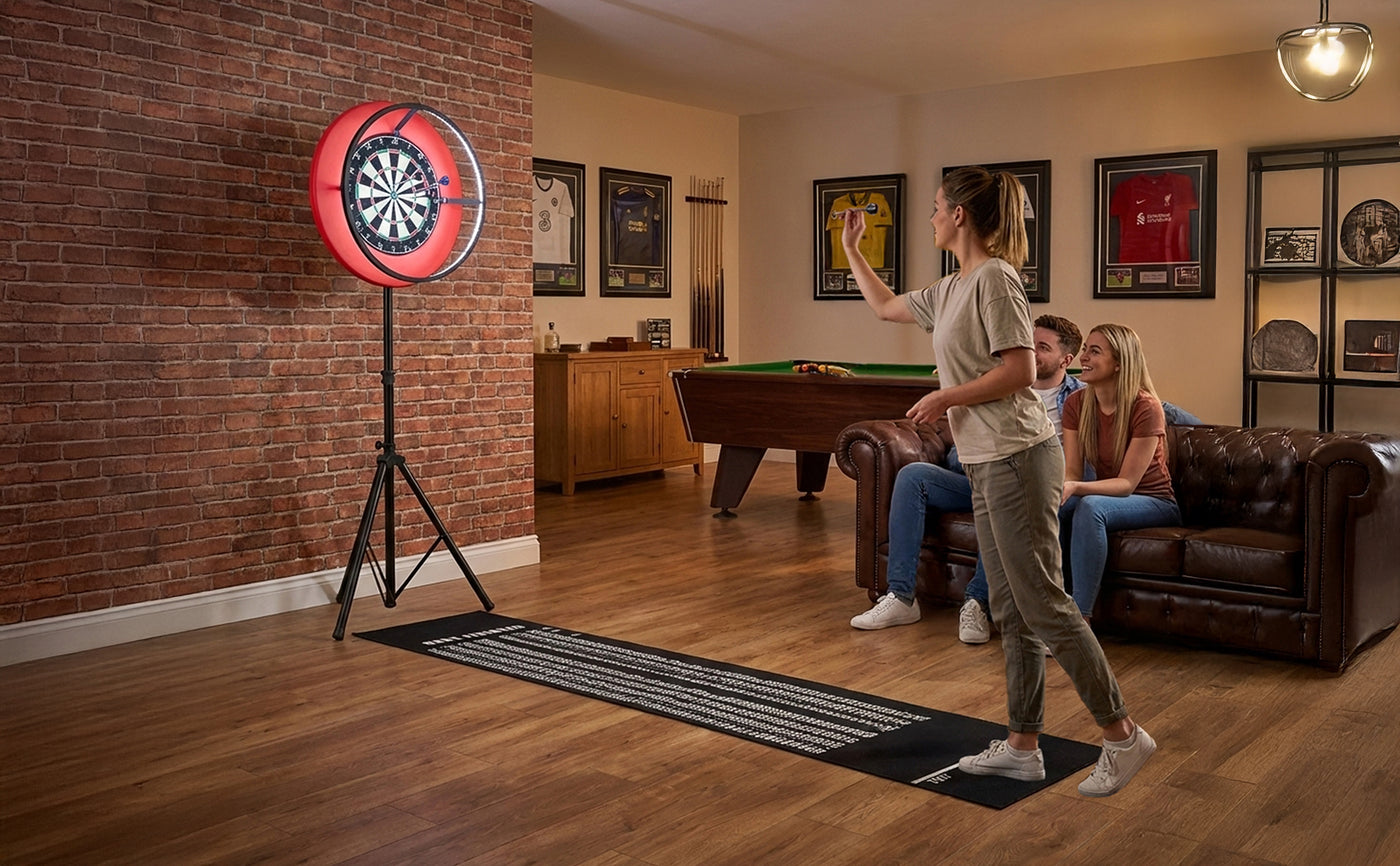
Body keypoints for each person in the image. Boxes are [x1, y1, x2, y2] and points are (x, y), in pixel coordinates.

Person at [841, 166, 1155, 797]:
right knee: (1011, 607)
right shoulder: (951, 287)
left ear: (960, 214)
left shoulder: (997, 279)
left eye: (935, 207)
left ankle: (1124, 737)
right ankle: (1022, 746)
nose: (930, 217)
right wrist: (851, 249)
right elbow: (884, 306)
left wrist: (945, 397)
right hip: (987, 461)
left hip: (1018, 456)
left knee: (1042, 601)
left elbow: (1018, 372)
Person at [850, 314, 1085, 647]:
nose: (1030, 353)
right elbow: (958, 450)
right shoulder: (997, 385)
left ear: (1066, 359)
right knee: (914, 476)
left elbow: (1155, 409)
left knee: (1006, 495)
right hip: (976, 475)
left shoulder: (1081, 398)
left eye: (1042, 347)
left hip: (1032, 489)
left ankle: (976, 603)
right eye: (1027, 344)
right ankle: (901, 597)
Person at [1058, 324, 1182, 618]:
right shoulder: (1076, 403)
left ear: (1119, 364)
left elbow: (1127, 484)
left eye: (1094, 351)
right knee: (1058, 505)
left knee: (1089, 506)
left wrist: (1075, 488)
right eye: (1085, 349)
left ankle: (1080, 619)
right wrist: (1062, 490)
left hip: (1155, 501)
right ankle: (1052, 609)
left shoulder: (1146, 407)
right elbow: (1072, 470)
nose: (1083, 357)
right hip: (1110, 499)